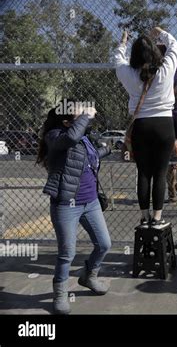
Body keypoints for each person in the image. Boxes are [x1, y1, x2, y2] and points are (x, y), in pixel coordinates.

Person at [36, 102, 112, 315]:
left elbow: (87, 157)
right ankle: (59, 294)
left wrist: (107, 148)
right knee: (66, 253)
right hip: (66, 204)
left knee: (104, 244)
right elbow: (70, 140)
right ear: (67, 121)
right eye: (79, 116)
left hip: (91, 202)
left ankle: (89, 276)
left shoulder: (82, 135)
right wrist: (86, 116)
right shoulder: (55, 136)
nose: (84, 119)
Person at [114, 27, 177, 230]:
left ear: (134, 55)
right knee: (160, 173)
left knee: (143, 173)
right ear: (155, 52)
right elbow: (175, 46)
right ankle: (157, 219)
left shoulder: (128, 73)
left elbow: (117, 58)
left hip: (141, 126)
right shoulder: (165, 69)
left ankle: (144, 217)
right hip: (164, 125)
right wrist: (160, 33)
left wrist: (124, 41)